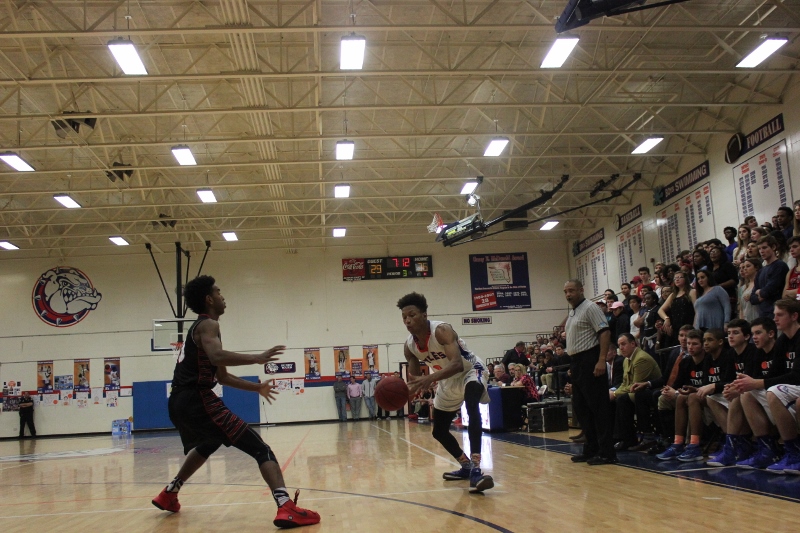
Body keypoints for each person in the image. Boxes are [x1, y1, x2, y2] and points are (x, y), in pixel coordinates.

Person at [151, 275, 319, 528]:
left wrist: (257, 387)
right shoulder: (208, 325)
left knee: (209, 442)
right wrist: (257, 358)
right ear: (209, 299)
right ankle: (286, 507)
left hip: (178, 402)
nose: (222, 296)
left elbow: (222, 376)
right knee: (261, 449)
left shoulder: (202, 329)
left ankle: (169, 493)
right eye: (218, 292)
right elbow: (217, 357)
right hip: (197, 399)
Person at [397, 292, 494, 492]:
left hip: (470, 371)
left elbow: (457, 364)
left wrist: (430, 378)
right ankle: (466, 465)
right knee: (439, 431)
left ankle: (476, 469)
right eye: (404, 317)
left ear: (424, 315)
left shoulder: (441, 330)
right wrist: (403, 391)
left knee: (471, 405)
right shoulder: (409, 346)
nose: (407, 320)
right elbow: (416, 379)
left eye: (412, 315)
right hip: (447, 380)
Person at [732, 298, 800, 469]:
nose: (775, 318)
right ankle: (767, 449)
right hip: (792, 388)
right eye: (774, 314)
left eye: (780, 315)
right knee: (747, 394)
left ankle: (794, 452)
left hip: (796, 384)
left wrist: (758, 382)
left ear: (794, 316)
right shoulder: (783, 340)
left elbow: (796, 376)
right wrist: (746, 384)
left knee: (773, 391)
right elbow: (774, 373)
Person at [563, 279, 616, 465]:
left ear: (581, 290)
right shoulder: (573, 312)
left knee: (598, 408)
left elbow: (604, 332)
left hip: (590, 359)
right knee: (582, 408)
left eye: (571, 290)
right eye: (565, 292)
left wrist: (601, 359)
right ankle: (591, 448)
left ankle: (607, 452)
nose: (568, 294)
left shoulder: (590, 307)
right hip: (577, 362)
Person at [705, 318, 760, 467]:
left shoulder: (753, 352)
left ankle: (732, 447)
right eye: (729, 333)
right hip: (743, 391)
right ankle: (737, 443)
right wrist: (727, 387)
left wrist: (729, 387)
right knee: (712, 398)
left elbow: (752, 378)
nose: (730, 336)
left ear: (746, 336)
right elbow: (727, 379)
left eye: (735, 333)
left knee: (737, 396)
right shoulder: (731, 354)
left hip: (754, 392)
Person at [656, 329, 713, 460]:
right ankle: (675, 441)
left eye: (695, 344)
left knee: (688, 398)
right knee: (664, 398)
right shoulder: (685, 362)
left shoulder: (709, 360)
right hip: (687, 396)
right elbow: (678, 384)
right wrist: (670, 390)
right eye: (688, 344)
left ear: (702, 345)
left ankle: (693, 444)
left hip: (705, 397)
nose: (690, 347)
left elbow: (706, 386)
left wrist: (678, 392)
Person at [611, 333, 662, 450]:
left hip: (651, 393)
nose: (621, 348)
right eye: (619, 345)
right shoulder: (626, 360)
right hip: (638, 392)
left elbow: (634, 385)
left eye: (623, 344)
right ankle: (617, 437)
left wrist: (614, 394)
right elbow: (624, 383)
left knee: (623, 399)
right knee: (614, 399)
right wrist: (613, 393)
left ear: (633, 344)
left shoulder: (641, 358)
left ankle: (635, 438)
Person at [751, 235, 789, 319]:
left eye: (764, 248)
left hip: (777, 312)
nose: (761, 251)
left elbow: (770, 289)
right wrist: (761, 294)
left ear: (773, 247)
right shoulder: (761, 271)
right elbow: (752, 298)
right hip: (763, 314)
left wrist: (760, 292)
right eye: (759, 249)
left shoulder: (780, 266)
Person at [658, 271, 696, 346]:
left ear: (685, 279)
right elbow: (660, 310)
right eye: (675, 278)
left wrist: (695, 326)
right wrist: (666, 318)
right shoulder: (673, 295)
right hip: (676, 327)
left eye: (680, 277)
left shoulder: (692, 292)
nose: (677, 279)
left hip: (689, 324)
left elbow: (697, 310)